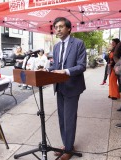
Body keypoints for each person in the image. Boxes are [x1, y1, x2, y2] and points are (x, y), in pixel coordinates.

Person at [47, 17, 86, 160]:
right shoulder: (56, 47)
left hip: (72, 86)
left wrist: (65, 71)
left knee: (69, 118)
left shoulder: (78, 44)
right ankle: (66, 144)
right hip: (59, 86)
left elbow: (82, 66)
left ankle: (69, 149)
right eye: (56, 27)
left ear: (69, 28)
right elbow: (56, 66)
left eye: (61, 26)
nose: (57, 29)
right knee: (62, 118)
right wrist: (46, 69)